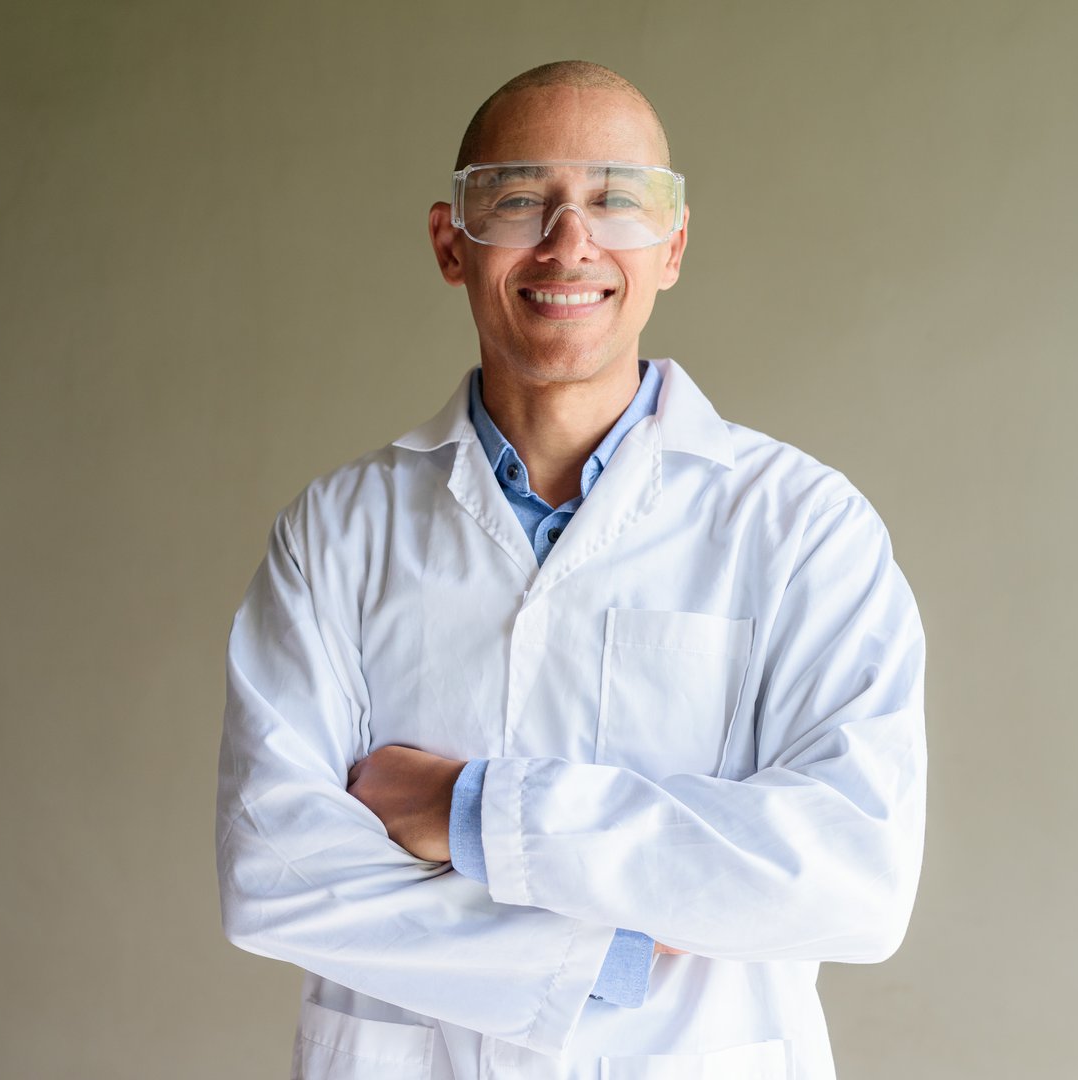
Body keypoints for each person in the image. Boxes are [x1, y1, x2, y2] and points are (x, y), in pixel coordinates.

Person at [216, 60, 926, 1080]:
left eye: (616, 201)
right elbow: (274, 869)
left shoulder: (804, 528)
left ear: (672, 247)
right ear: (449, 244)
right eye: (518, 199)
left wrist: (470, 810)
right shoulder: (336, 532)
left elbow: (850, 872)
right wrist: (606, 953)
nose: (569, 241)